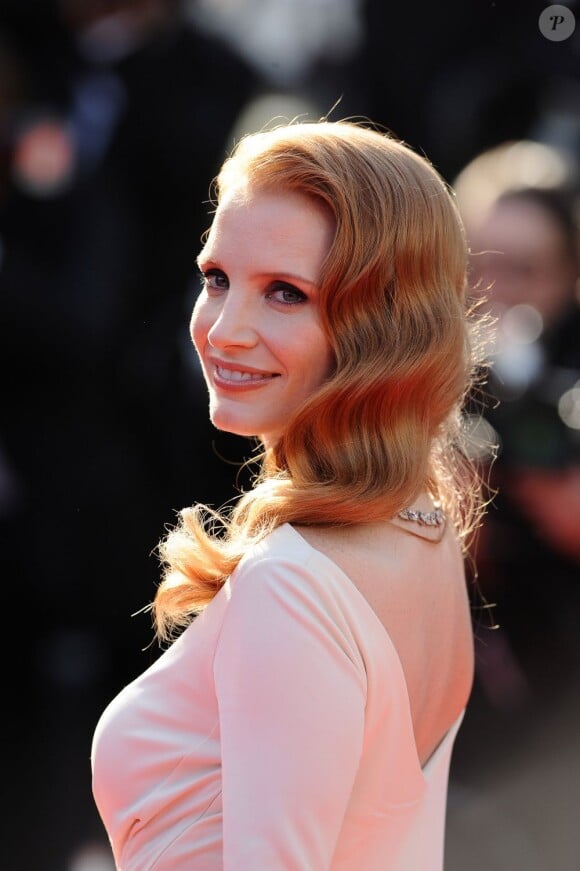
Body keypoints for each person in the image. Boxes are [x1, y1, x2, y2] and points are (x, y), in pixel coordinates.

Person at [91, 119, 485, 870]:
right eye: (216, 279)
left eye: (285, 293)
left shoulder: (293, 584)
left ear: (385, 325)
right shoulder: (423, 528)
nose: (223, 329)